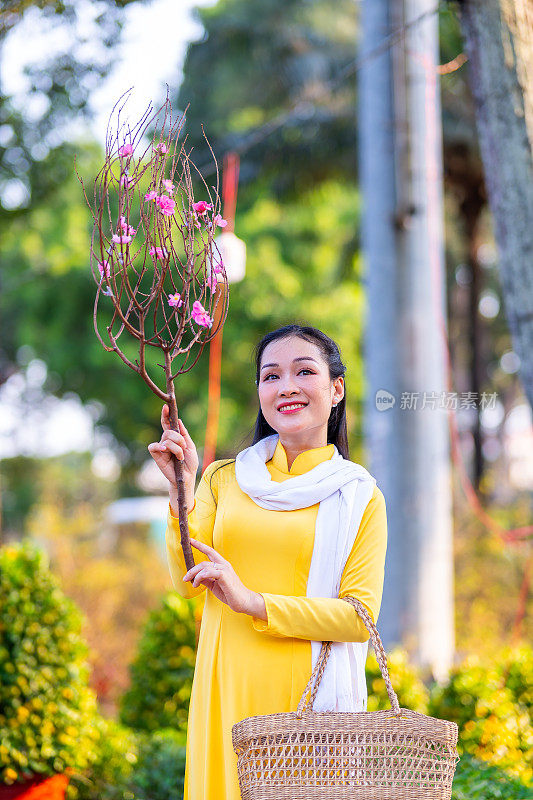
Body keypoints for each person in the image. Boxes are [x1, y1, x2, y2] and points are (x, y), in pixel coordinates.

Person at [148, 323, 388, 800]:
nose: (287, 387)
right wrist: (182, 489)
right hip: (225, 688)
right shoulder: (222, 479)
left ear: (336, 388)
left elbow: (359, 617)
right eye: (271, 376)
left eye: (304, 371)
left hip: (306, 705)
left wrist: (253, 601)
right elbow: (185, 578)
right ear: (259, 390)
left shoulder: (359, 496)